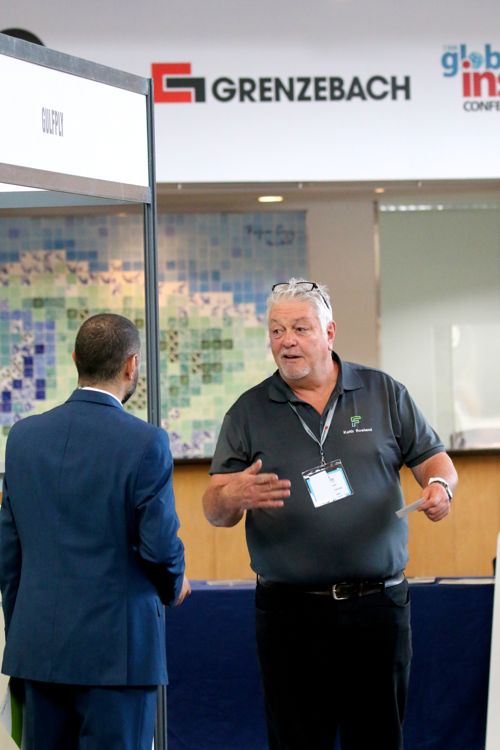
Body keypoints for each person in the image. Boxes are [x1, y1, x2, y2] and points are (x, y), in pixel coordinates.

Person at [203, 278, 458, 750]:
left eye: (300, 328)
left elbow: (434, 460)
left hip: (377, 607)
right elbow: (215, 511)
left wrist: (440, 487)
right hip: (289, 614)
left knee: (378, 739)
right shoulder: (248, 411)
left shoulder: (382, 392)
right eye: (276, 330)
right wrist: (231, 496)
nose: (286, 341)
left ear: (330, 332)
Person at [0, 313, 190, 750]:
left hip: (39, 653)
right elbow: (159, 546)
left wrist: (25, 629)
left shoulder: (23, 439)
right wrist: (175, 582)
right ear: (131, 365)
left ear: (74, 359)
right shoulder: (145, 442)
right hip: (118, 659)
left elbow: (9, 555)